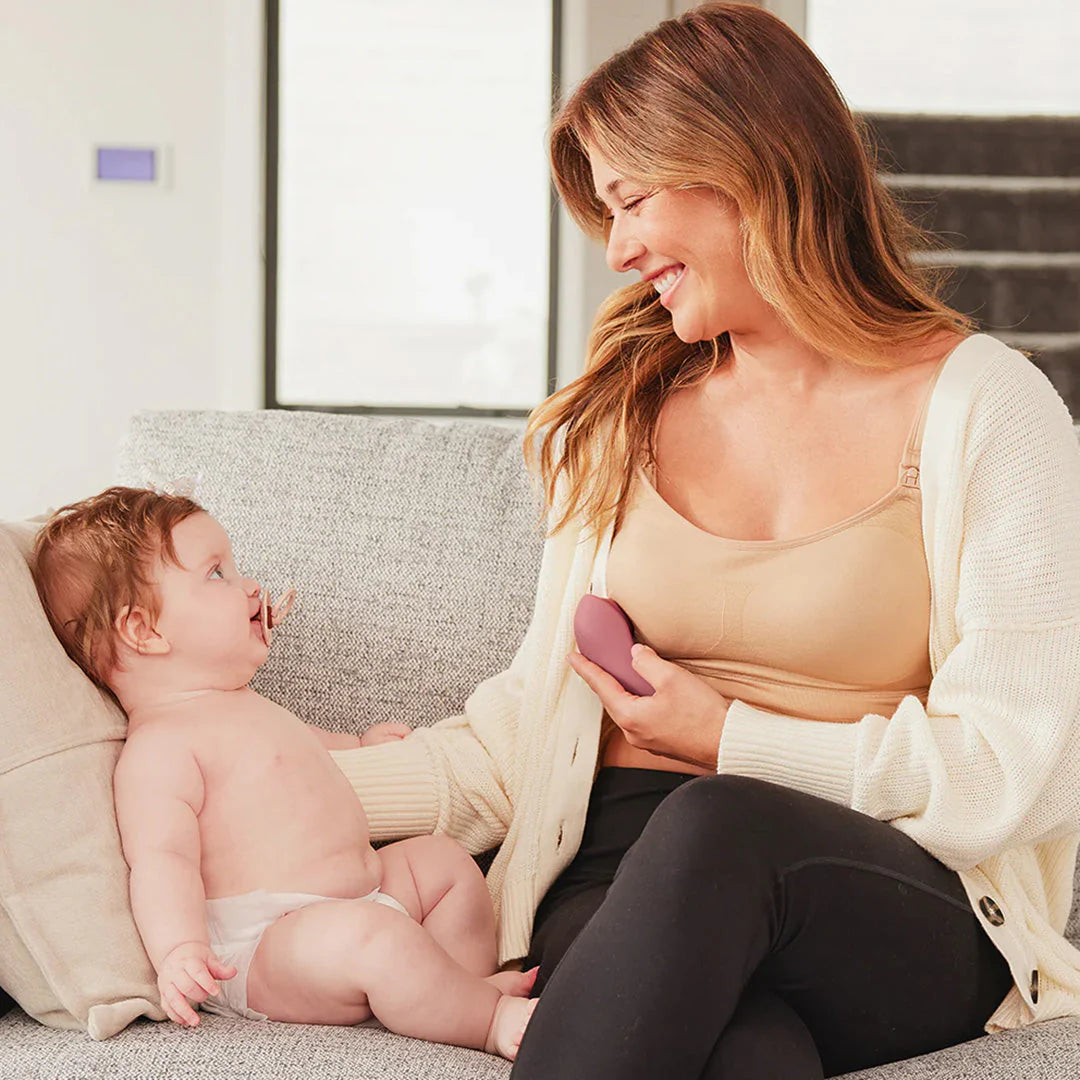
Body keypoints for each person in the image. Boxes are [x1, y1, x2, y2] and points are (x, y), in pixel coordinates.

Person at [326, 2, 1080, 1074]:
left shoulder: (985, 408)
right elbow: (519, 740)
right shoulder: (622, 418)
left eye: (632, 201)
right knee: (746, 1058)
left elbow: (1019, 769)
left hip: (881, 892)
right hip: (621, 873)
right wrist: (258, 785)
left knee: (719, 828)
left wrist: (732, 738)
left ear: (746, 167)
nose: (618, 250)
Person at [30, 487, 538, 1060]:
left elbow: (299, 751)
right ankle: (489, 1021)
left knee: (444, 864)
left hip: (362, 895)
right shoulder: (159, 749)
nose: (251, 585)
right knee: (374, 939)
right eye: (217, 573)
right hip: (269, 943)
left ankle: (460, 988)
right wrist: (179, 949)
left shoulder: (241, 702)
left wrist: (359, 745)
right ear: (145, 631)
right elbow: (162, 860)